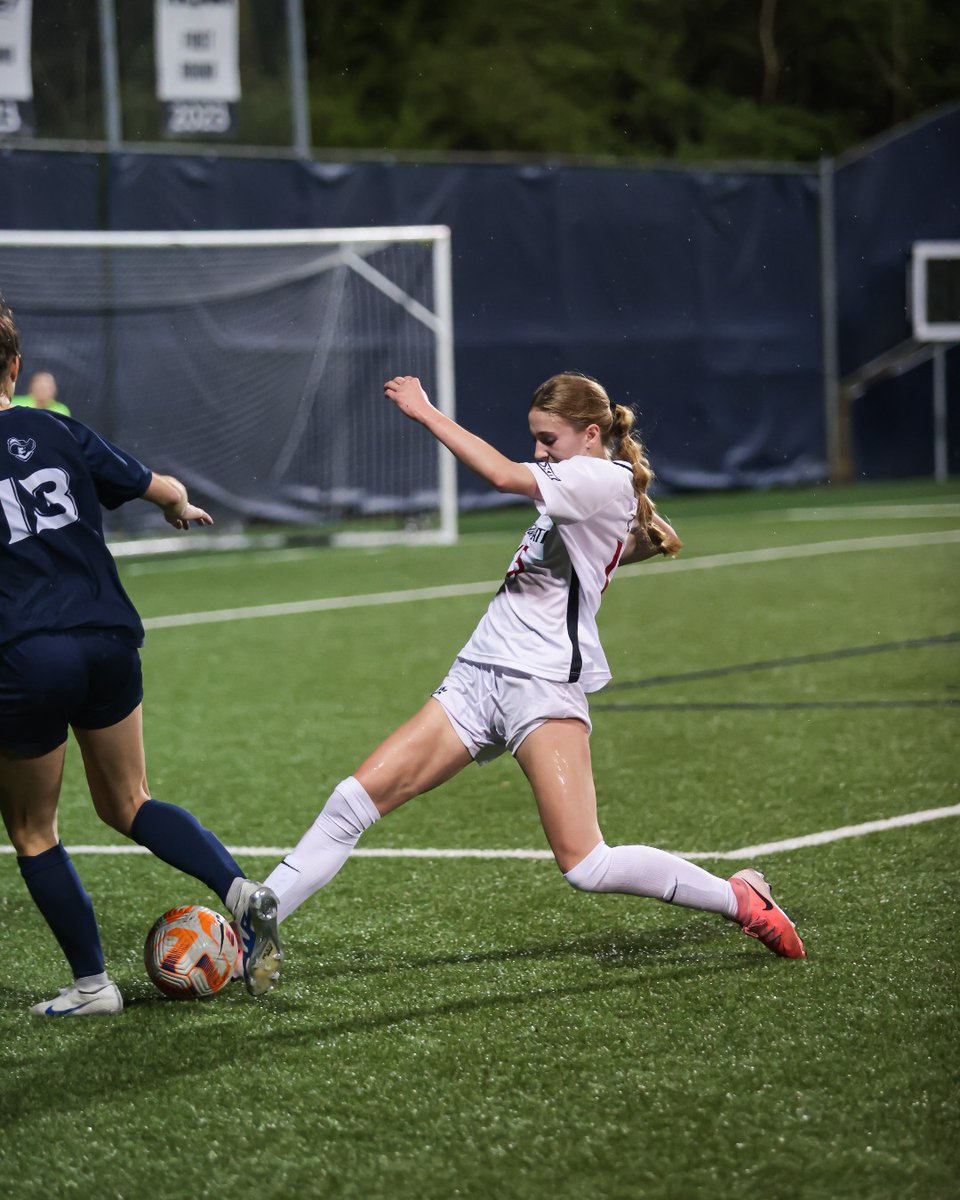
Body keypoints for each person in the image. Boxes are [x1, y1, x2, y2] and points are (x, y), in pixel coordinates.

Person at [262, 371, 805, 962]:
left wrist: (425, 412)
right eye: (535, 439)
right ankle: (249, 935)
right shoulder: (588, 480)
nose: (539, 452)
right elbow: (647, 537)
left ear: (591, 433)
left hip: (540, 687)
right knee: (351, 803)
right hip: (478, 673)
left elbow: (501, 476)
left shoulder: (598, 476)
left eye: (549, 439)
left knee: (587, 865)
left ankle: (741, 898)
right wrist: (624, 544)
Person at [0, 299, 282, 1016]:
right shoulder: (57, 427)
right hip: (108, 637)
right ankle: (241, 893)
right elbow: (164, 488)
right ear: (15, 367)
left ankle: (93, 985)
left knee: (34, 828)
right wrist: (176, 509)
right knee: (129, 801)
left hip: (27, 654)